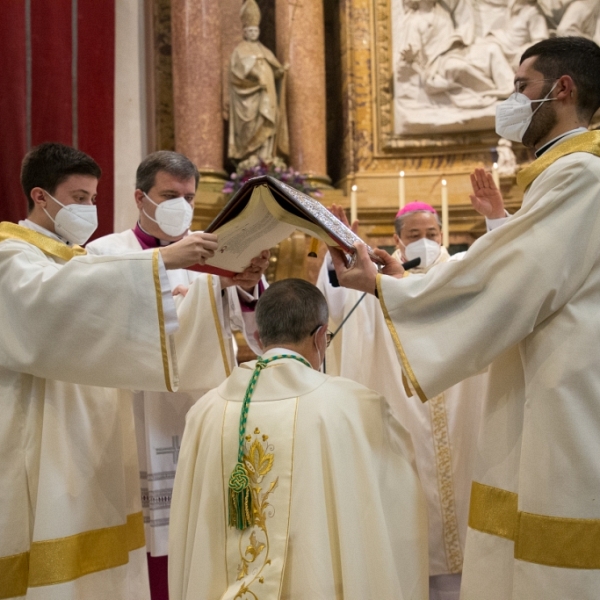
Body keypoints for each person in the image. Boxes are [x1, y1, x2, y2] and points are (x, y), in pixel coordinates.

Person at [331, 37, 600, 599]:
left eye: (522, 86)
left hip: (569, 383)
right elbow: (517, 267)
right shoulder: (570, 173)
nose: (512, 99)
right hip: (550, 372)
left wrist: (385, 288)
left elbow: (509, 278)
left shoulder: (583, 174)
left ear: (563, 89)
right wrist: (401, 284)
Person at [0, 142, 232, 600]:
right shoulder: (12, 255)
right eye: (79, 197)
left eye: (92, 198)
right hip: (42, 433)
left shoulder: (76, 256)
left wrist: (214, 284)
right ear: (41, 196)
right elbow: (49, 304)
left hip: (93, 437)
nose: (89, 208)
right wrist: (161, 262)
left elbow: (121, 321)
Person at [168, 279, 429, 600]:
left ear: (259, 337)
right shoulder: (356, 406)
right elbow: (396, 510)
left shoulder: (205, 412)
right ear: (321, 337)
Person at [87, 150, 268, 600]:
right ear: (140, 198)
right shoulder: (105, 251)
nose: (182, 206)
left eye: (188, 197)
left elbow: (246, 327)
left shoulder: (209, 250)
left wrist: (243, 281)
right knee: (150, 539)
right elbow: (107, 325)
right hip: (138, 413)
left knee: (205, 530)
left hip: (201, 407)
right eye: (170, 195)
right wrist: (209, 284)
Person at [318, 202, 486, 600]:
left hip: (463, 416)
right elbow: (335, 309)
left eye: (432, 233)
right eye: (414, 235)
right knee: (404, 514)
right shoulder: (373, 280)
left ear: (443, 235)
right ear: (397, 239)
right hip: (399, 412)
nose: (425, 242)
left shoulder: (463, 273)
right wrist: (335, 254)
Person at [228, 0, 288, 163]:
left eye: (256, 30)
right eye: (250, 31)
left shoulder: (264, 50)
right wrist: (255, 75)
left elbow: (275, 69)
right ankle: (250, 156)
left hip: (267, 93)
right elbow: (237, 73)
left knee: (268, 118)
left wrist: (280, 71)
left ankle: (266, 154)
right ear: (245, 33)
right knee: (251, 124)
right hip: (250, 96)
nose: (253, 33)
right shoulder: (240, 50)